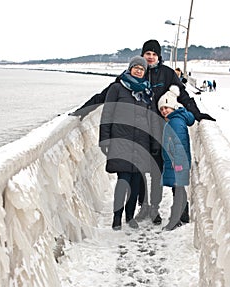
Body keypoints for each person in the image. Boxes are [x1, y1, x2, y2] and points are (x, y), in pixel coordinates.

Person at [70, 39, 216, 224]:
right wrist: (82, 111)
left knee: (171, 168)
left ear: (158, 56)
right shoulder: (133, 75)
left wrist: (198, 114)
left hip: (165, 129)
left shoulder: (168, 74)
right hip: (142, 133)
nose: (151, 57)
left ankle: (180, 209)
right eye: (148, 53)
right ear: (142, 55)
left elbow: (184, 96)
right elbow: (105, 95)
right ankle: (149, 208)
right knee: (144, 172)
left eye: (154, 54)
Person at [99, 55, 161, 231]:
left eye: (142, 69)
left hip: (141, 143)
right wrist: (104, 138)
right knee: (123, 180)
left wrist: (155, 142)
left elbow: (153, 119)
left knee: (135, 182)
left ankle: (130, 216)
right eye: (136, 68)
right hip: (121, 141)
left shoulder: (147, 93)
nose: (139, 71)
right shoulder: (117, 88)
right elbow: (107, 113)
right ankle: (117, 217)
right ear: (130, 68)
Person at [157, 85, 195, 230]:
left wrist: (177, 163)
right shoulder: (176, 120)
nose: (164, 111)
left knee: (178, 190)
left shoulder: (175, 122)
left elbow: (179, 144)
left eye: (167, 107)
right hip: (175, 162)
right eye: (161, 109)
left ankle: (177, 218)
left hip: (176, 163)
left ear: (174, 106)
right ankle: (183, 215)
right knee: (177, 189)